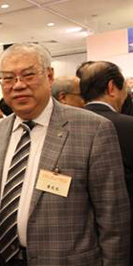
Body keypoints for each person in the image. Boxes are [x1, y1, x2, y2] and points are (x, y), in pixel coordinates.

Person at [0, 43, 130, 266]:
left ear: (49, 76)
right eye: (8, 78)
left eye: (28, 75)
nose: (19, 85)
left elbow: (113, 219)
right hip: (3, 258)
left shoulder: (93, 129)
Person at [79, 60, 133, 264]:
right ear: (112, 87)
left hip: (78, 241)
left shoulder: (63, 128)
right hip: (123, 236)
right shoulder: (128, 127)